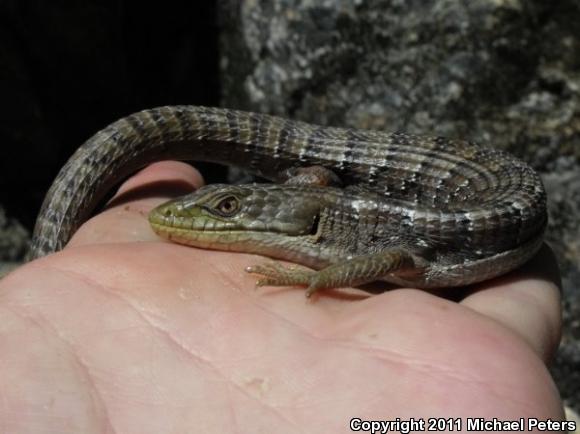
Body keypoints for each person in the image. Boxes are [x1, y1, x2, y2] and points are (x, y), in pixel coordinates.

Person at [0, 161, 565, 432]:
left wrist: (317, 279)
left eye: (229, 209)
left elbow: (401, 261)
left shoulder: (363, 233)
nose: (216, 217)